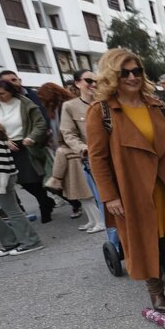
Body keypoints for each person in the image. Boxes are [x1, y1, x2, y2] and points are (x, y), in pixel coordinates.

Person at [86, 48, 165, 312]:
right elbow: (97, 158)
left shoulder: (156, 105)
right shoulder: (101, 112)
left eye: (137, 71)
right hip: (132, 189)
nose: (133, 77)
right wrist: (109, 195)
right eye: (125, 72)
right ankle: (156, 291)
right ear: (113, 76)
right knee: (144, 239)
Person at [0, 79, 55, 223]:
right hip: (8, 148)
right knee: (23, 182)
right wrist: (5, 140)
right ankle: (46, 202)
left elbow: (40, 123)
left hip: (28, 146)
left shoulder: (25, 103)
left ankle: (50, 204)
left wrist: (31, 138)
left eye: (2, 93)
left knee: (38, 179)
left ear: (10, 91)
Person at [37, 82, 95, 226]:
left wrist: (77, 146)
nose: (41, 98)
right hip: (66, 150)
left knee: (84, 190)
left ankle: (98, 220)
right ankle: (94, 219)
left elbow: (70, 131)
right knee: (80, 191)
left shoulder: (68, 106)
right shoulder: (53, 109)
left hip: (76, 151)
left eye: (43, 95)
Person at [58, 70, 109, 235]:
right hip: (93, 160)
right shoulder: (70, 107)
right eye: (88, 80)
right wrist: (83, 148)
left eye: (96, 81)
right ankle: (116, 243)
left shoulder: (107, 103)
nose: (93, 84)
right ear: (77, 83)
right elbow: (68, 134)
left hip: (117, 157)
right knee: (106, 201)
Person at [0, 123, 44, 256]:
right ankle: (11, 241)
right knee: (12, 210)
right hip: (3, 176)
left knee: (12, 210)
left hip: (1, 177)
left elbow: (0, 162)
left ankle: (31, 242)